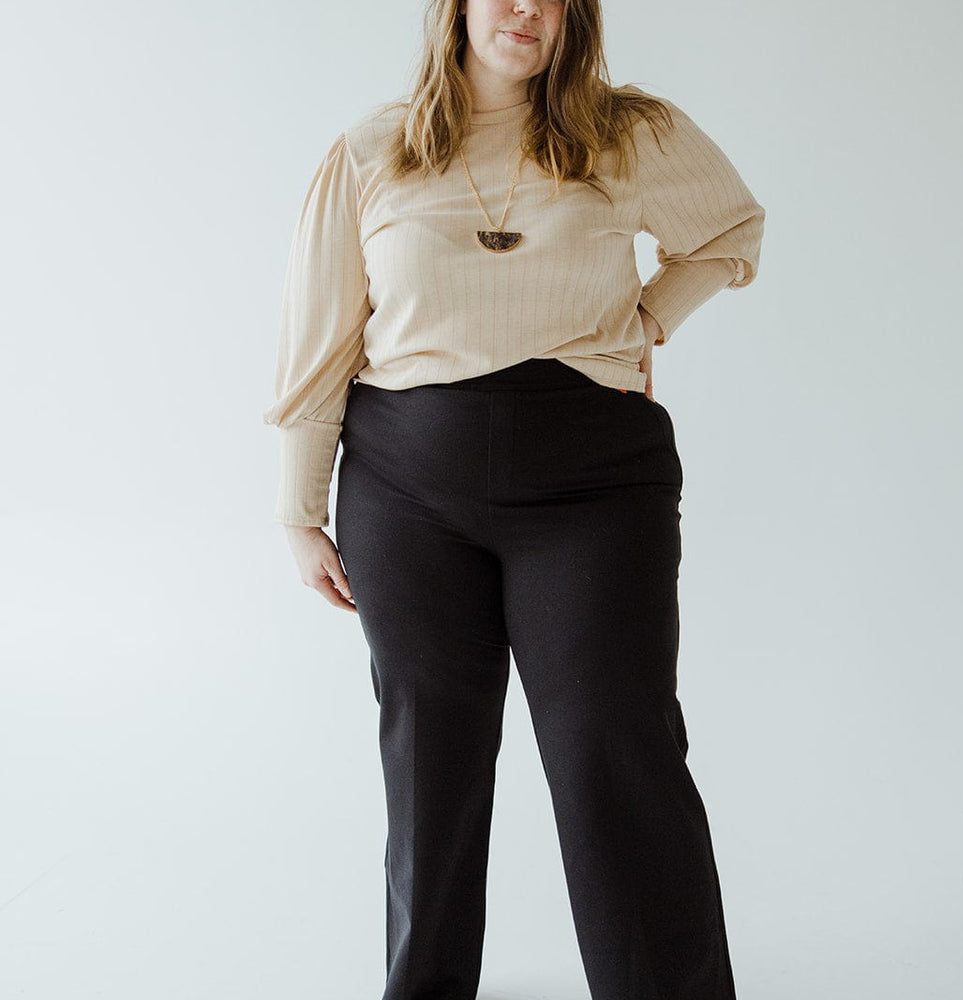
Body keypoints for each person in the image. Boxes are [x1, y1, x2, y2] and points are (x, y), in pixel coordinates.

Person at [263, 0, 765, 997]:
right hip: (407, 494)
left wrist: (641, 318)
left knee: (614, 755)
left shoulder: (628, 132)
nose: (526, 8)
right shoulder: (372, 152)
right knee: (429, 773)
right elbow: (320, 344)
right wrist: (297, 509)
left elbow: (729, 230)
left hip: (592, 488)